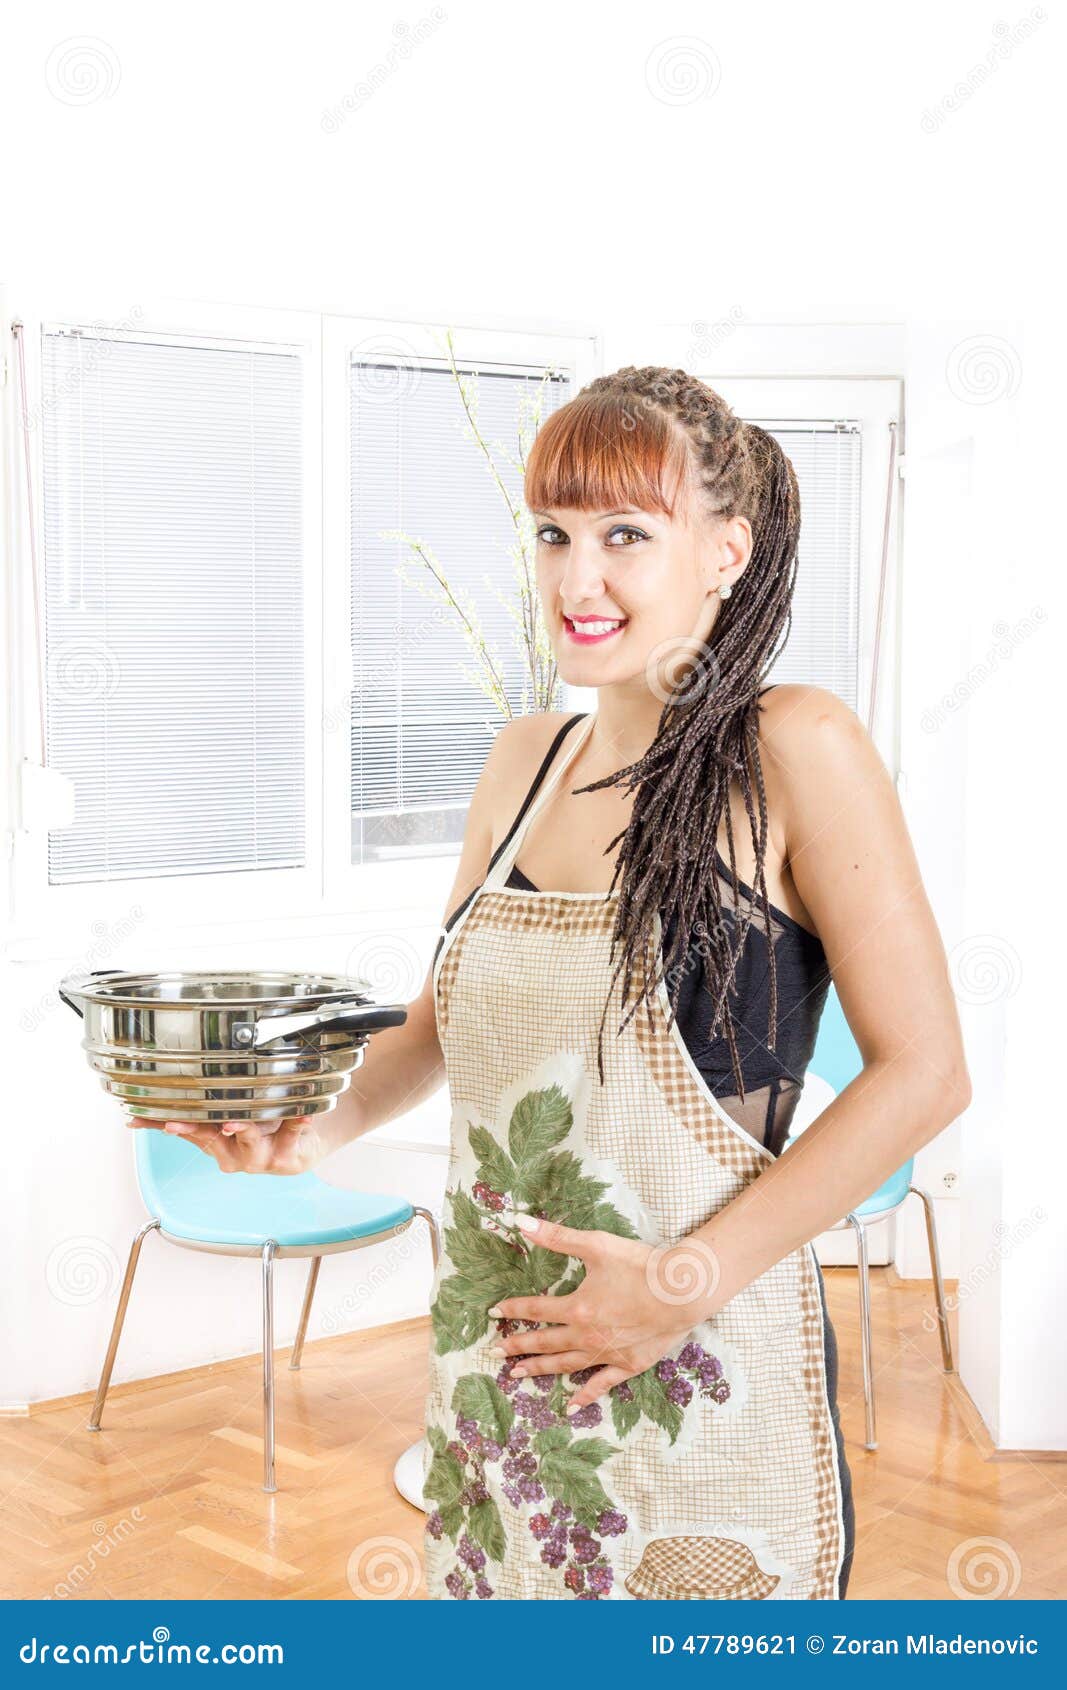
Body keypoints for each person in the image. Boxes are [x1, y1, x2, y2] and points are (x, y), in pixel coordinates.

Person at [135, 367, 971, 1601]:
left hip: (700, 1367)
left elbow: (925, 1073)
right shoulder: (524, 759)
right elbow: (438, 1023)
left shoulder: (793, 746)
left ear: (722, 552)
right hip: (498, 1379)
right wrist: (316, 1125)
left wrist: (677, 1283)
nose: (578, 579)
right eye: (553, 533)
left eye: (626, 535)